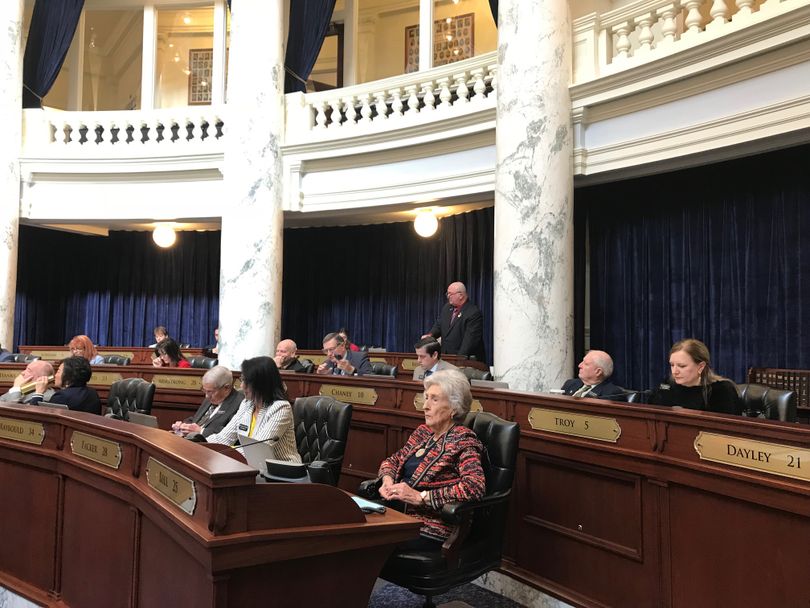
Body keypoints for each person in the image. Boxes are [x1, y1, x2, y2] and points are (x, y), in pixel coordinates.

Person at [377, 369, 486, 548]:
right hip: (396, 513)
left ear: (454, 408)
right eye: (426, 397)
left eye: (434, 399)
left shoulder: (463, 440)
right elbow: (393, 460)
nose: (425, 406)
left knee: (362, 542)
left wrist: (422, 496)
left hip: (429, 527)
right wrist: (387, 480)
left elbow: (474, 487)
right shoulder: (423, 433)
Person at [205, 356, 301, 462]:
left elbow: (257, 449)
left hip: (282, 471)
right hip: (252, 466)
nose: (241, 386)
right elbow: (224, 438)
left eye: (246, 381)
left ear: (260, 384)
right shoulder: (247, 404)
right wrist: (199, 444)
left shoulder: (281, 408)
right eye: (242, 380)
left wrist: (222, 453)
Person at [649, 339, 742, 415]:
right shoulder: (668, 384)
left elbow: (730, 429)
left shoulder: (722, 390)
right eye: (672, 365)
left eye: (682, 366)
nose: (675, 371)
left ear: (701, 366)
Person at [422, 281, 486, 363]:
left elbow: (470, 342)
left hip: (464, 361)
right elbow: (439, 324)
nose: (448, 296)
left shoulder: (473, 313)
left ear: (461, 295)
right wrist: (430, 335)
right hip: (446, 357)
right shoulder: (447, 308)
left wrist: (458, 360)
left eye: (450, 294)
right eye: (447, 294)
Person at [172, 365, 243, 437]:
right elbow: (196, 420)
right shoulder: (211, 397)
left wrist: (201, 431)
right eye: (204, 390)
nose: (206, 396)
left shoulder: (240, 403)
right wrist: (184, 426)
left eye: (210, 392)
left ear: (226, 388)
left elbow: (231, 434)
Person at [29, 356, 101, 414]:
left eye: (59, 371)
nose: (55, 375)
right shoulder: (93, 393)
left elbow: (36, 416)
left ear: (68, 376)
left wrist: (38, 393)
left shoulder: (62, 396)